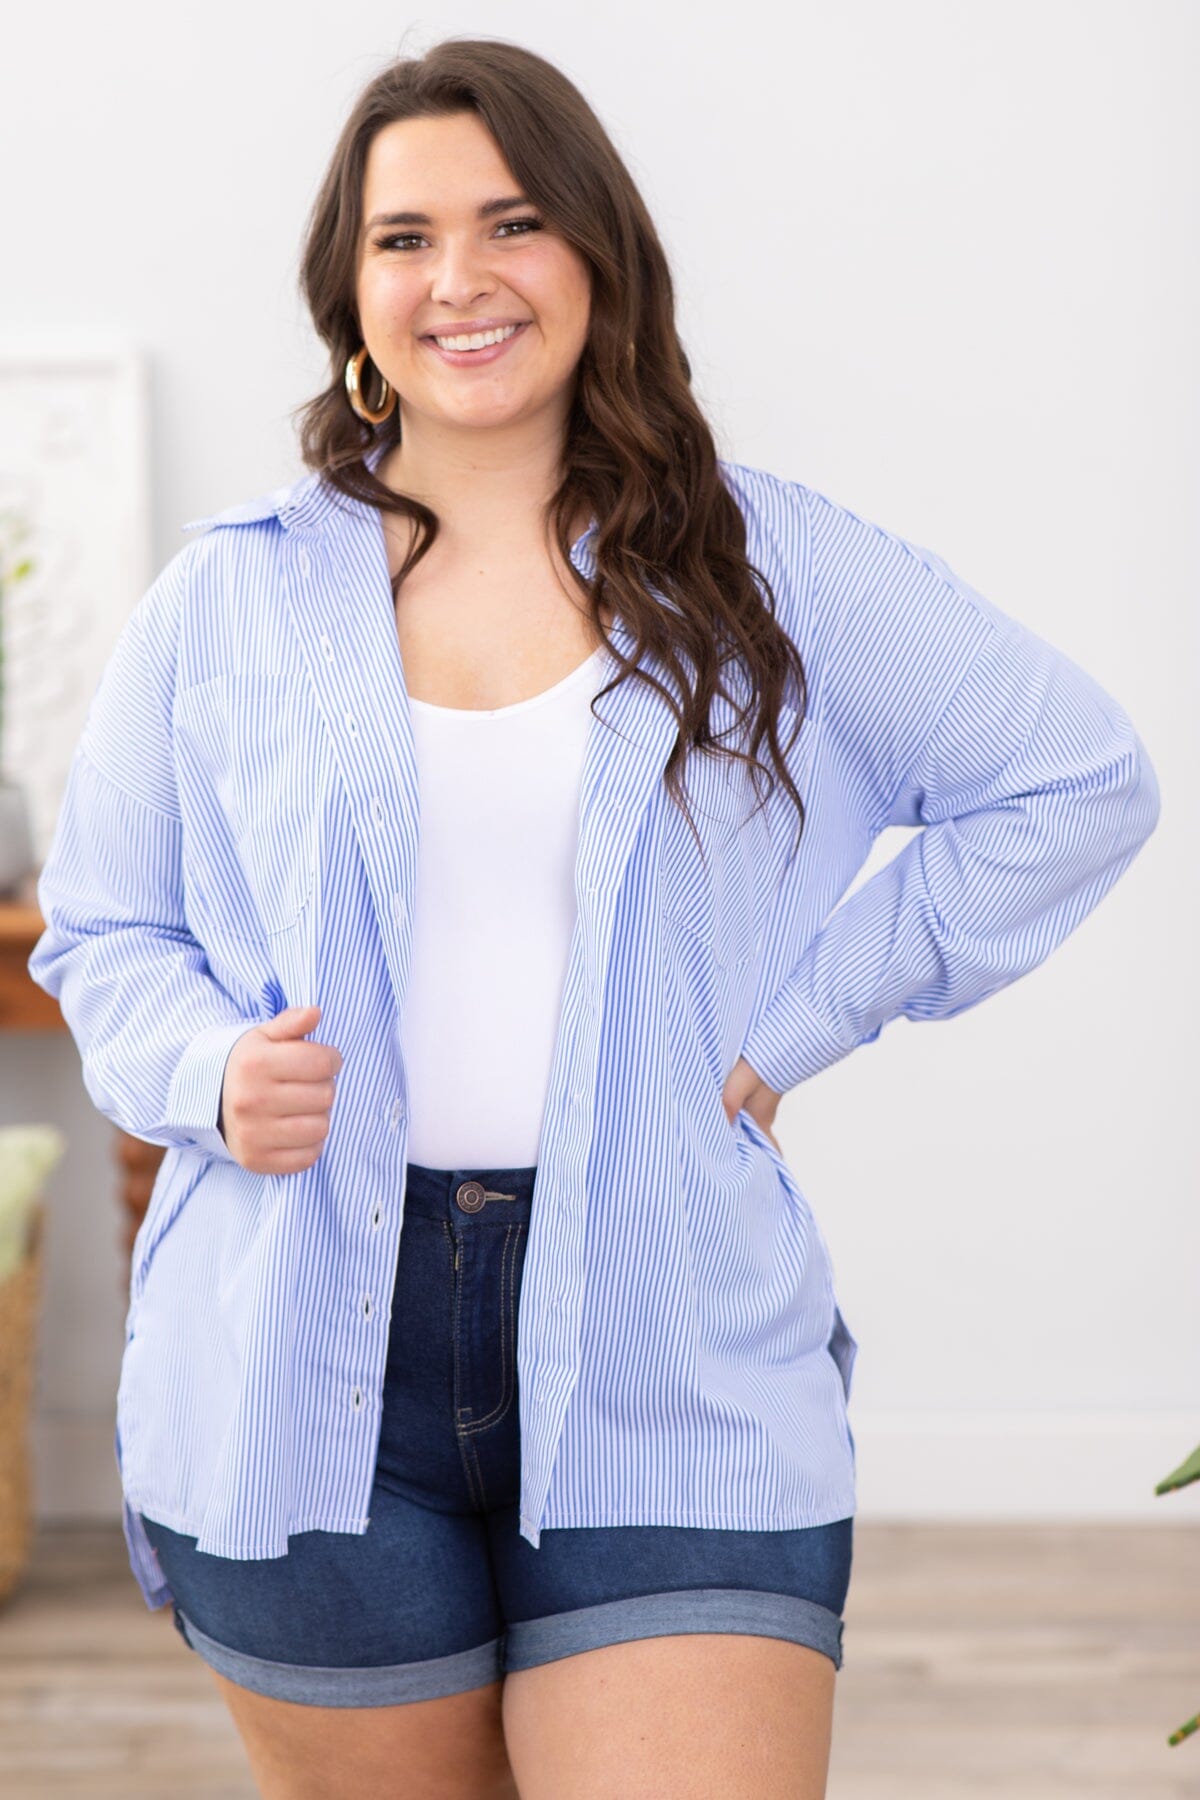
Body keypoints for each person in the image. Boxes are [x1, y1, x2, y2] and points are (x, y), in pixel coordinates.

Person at [28, 36, 1160, 1800]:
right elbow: (100, 929)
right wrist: (200, 1069)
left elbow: (1076, 782)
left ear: (601, 262)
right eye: (404, 238)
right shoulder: (226, 599)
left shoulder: (768, 570)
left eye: (515, 221)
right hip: (299, 1361)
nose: (458, 279)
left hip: (673, 1337)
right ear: (351, 290)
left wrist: (800, 1021)